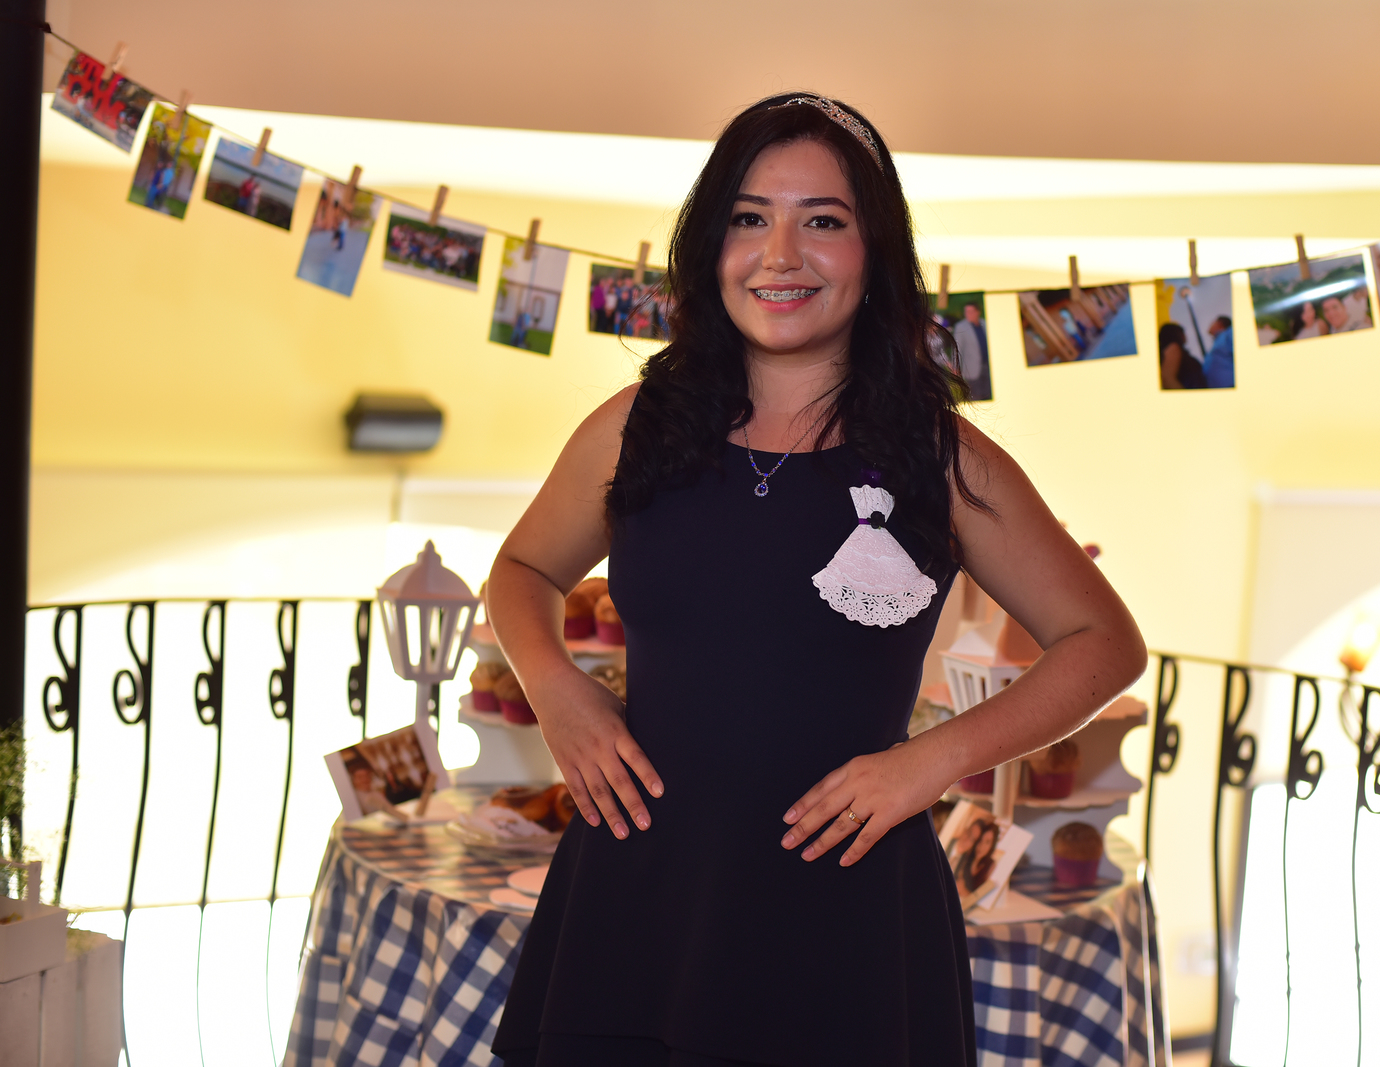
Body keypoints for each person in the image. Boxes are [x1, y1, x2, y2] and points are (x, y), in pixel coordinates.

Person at [487, 93, 1145, 1067]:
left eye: (823, 221)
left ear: (874, 253)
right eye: (749, 217)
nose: (780, 254)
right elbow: (523, 567)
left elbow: (1104, 642)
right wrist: (554, 687)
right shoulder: (633, 426)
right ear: (710, 245)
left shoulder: (939, 456)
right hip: (636, 896)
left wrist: (930, 762)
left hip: (843, 915)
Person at [949, 301, 990, 401]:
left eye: (971, 312)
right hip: (971, 368)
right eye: (966, 312)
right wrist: (955, 366)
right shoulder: (961, 327)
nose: (968, 314)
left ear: (978, 312)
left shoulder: (985, 324)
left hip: (988, 366)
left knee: (989, 395)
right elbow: (957, 348)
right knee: (975, 398)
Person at [1158, 321, 1206, 389]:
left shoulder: (1172, 349)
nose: (1185, 336)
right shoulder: (1174, 348)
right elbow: (1167, 379)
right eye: (1182, 332)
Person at [1202, 315, 1234, 389]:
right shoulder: (1218, 341)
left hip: (1230, 386)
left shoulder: (1229, 333)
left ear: (1219, 323)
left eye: (1213, 322)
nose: (1210, 325)